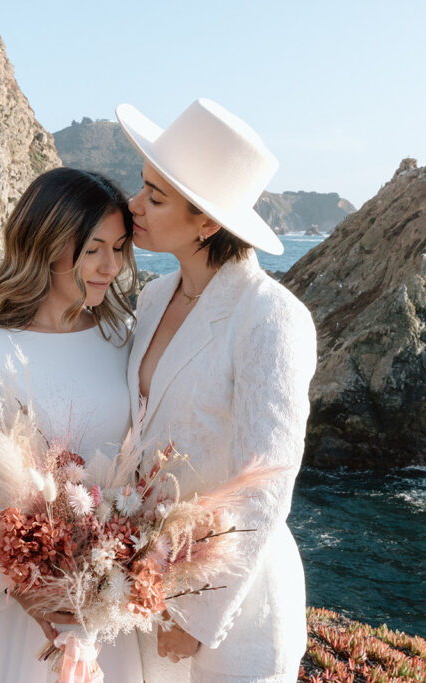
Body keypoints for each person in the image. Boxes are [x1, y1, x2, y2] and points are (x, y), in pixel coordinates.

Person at [0, 167, 144, 682]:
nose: (111, 267)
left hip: (104, 608)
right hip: (9, 612)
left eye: (120, 247)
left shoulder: (124, 338)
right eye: (94, 249)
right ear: (48, 244)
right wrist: (30, 588)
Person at [116, 98, 318, 683]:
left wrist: (200, 614)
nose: (134, 205)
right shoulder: (153, 298)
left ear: (207, 222)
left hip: (239, 614)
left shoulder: (271, 317)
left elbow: (267, 483)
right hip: (146, 595)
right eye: (143, 188)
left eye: (155, 197)